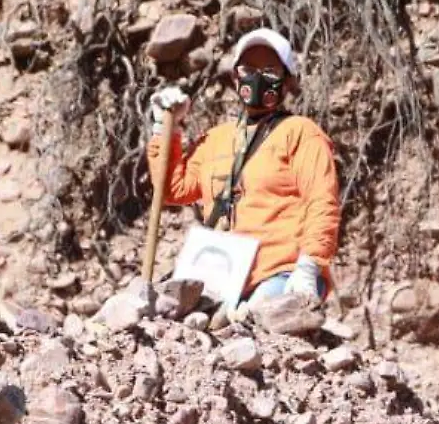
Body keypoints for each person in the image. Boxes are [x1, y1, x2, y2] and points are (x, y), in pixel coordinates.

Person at [146, 27, 342, 308]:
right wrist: (165, 129)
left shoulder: (300, 133)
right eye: (248, 69)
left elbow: (322, 202)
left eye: (271, 71)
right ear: (234, 77)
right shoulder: (216, 139)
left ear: (287, 82)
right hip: (222, 274)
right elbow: (172, 190)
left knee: (254, 316)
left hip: (280, 271)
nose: (258, 78)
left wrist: (308, 267)